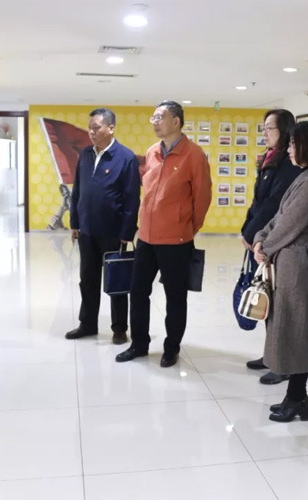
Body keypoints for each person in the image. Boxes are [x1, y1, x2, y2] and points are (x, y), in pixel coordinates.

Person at [115, 101, 212, 368]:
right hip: (146, 238)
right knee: (138, 293)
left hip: (176, 241)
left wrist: (187, 228)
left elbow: (202, 198)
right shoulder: (152, 152)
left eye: (160, 117)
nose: (155, 122)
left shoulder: (194, 155)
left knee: (175, 297)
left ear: (176, 121)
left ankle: (172, 348)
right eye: (153, 117)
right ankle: (139, 344)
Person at [253, 121, 308, 423]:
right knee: (284, 325)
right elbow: (279, 217)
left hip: (297, 263)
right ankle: (293, 396)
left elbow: (290, 224)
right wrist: (261, 238)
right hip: (286, 258)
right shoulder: (305, 176)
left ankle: (298, 397)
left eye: (294, 144)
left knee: (295, 328)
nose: (289, 149)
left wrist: (266, 247)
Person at [65, 108, 140, 345]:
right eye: (89, 128)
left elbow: (132, 199)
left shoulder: (125, 157)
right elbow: (78, 190)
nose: (91, 132)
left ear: (111, 128)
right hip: (86, 230)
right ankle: (87, 324)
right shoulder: (85, 154)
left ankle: (119, 329)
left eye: (96, 128)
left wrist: (127, 232)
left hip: (113, 232)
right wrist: (75, 222)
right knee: (87, 279)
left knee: (116, 281)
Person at [242, 109, 302, 385]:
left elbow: (273, 206)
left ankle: (283, 364)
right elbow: (257, 202)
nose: (264, 133)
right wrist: (247, 230)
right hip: (261, 240)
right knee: (267, 299)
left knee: (280, 307)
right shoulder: (270, 159)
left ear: (285, 131)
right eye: (264, 128)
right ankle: (271, 355)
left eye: (270, 128)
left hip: (277, 243)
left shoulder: (289, 166)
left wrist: (254, 235)